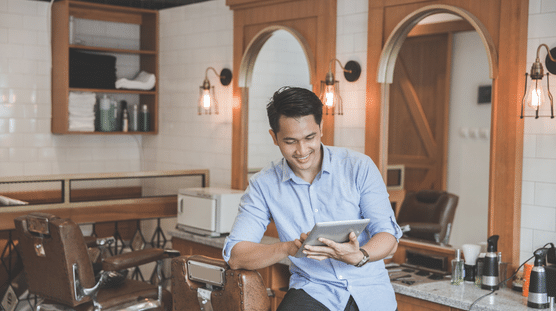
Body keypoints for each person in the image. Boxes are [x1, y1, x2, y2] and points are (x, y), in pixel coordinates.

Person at [223, 86, 402, 311]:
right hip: (312, 290)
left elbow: (388, 235)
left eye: (310, 138)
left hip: (372, 294)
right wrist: (288, 248)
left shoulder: (359, 167)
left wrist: (360, 255)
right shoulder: (263, 185)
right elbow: (236, 256)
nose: (302, 150)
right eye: (290, 141)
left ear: (321, 128)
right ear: (274, 137)